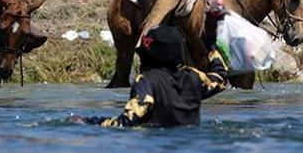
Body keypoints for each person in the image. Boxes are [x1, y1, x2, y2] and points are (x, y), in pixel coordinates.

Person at [75, 26, 227, 127]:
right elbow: (220, 78)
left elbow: (129, 119)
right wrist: (210, 47)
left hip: (158, 147)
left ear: (150, 57)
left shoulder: (146, 80)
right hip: (193, 147)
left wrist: (89, 121)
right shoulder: (194, 77)